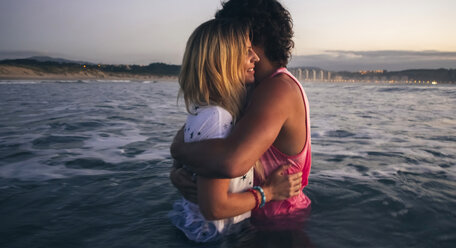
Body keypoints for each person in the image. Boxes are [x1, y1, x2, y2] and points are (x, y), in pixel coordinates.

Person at [170, 0, 312, 226]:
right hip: (251, 221)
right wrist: (177, 170)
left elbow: (230, 162)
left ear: (254, 37)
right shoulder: (248, 88)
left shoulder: (278, 89)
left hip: (279, 225)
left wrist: (177, 151)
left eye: (232, 33)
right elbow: (198, 138)